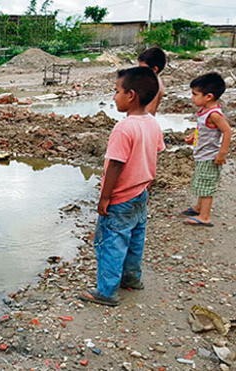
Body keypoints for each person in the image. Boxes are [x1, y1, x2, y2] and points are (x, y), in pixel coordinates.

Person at [79, 66, 165, 307]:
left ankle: (106, 292)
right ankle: (131, 279)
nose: (113, 96)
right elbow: (155, 152)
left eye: (116, 91)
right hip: (141, 193)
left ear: (131, 95)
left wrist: (105, 198)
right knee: (135, 239)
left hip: (121, 198)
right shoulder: (152, 123)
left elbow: (115, 165)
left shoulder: (124, 128)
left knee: (111, 243)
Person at [180, 72, 231, 227]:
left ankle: (205, 216)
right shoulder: (204, 111)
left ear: (208, 96)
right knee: (201, 182)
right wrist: (193, 137)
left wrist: (222, 153)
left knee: (207, 186)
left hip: (210, 156)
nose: (192, 97)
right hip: (202, 154)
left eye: (195, 94)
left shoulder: (214, 114)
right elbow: (203, 129)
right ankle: (199, 207)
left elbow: (227, 131)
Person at [137, 47, 167, 115]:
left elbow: (149, 111)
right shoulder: (156, 81)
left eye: (143, 68)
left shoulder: (153, 85)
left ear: (155, 69)